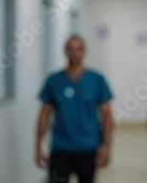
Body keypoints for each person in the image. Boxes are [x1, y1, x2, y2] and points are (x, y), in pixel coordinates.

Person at [35, 35, 113, 183]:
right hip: (60, 148)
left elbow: (107, 116)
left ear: (84, 52)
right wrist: (38, 146)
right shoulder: (54, 80)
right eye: (71, 49)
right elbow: (44, 115)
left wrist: (106, 146)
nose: (75, 53)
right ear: (65, 52)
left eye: (79, 49)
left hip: (88, 147)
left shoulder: (97, 79)